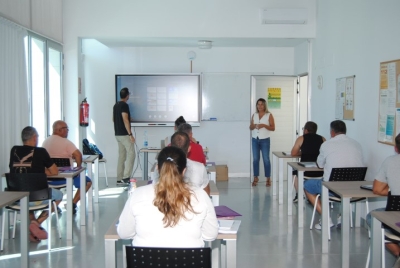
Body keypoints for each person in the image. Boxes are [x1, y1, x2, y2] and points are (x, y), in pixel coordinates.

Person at [117, 146, 218, 247]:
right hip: (188, 262)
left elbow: (124, 233)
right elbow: (210, 235)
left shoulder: (137, 194)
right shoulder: (200, 195)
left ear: (157, 168)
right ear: (184, 171)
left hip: (147, 261)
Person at [304, 120, 363, 229]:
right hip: (353, 188)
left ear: (332, 132)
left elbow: (320, 165)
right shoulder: (357, 144)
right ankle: (341, 217)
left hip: (331, 189)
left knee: (307, 185)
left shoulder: (326, 145)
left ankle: (326, 219)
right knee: (343, 183)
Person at [9, 126, 63, 243]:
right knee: (59, 195)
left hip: (16, 198)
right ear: (34, 138)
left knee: (26, 191)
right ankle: (37, 223)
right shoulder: (41, 152)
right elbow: (54, 171)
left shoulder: (14, 150)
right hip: (37, 197)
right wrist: (42, 170)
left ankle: (32, 228)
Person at [42, 120, 92, 215]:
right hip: (65, 178)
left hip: (49, 179)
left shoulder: (45, 142)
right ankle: (72, 204)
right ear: (60, 130)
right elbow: (78, 155)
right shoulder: (66, 142)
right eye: (67, 129)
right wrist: (78, 167)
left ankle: (55, 205)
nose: (68, 131)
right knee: (87, 182)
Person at [366, 133, 400, 260]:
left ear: (396, 148)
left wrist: (393, 190)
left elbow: (377, 189)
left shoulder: (390, 161)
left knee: (372, 216)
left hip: (396, 215)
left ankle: (398, 252)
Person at [290, 121, 325, 202]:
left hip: (305, 171)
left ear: (306, 130)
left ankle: (299, 195)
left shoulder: (301, 138)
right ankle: (313, 195)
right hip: (320, 171)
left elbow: (293, 153)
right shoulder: (322, 139)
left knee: (294, 172)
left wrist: (303, 152)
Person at [249, 98, 275, 187]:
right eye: (258, 104)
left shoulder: (269, 115)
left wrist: (263, 125)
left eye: (261, 104)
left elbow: (273, 128)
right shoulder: (254, 115)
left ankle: (268, 178)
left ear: (264, 105)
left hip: (265, 140)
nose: (259, 106)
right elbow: (250, 127)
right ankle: (256, 177)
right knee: (255, 159)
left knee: (266, 159)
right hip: (255, 139)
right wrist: (253, 126)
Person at [113, 87, 136, 186]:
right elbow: (125, 120)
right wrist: (130, 134)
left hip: (117, 134)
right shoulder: (124, 105)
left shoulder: (116, 105)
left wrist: (127, 118)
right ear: (127, 96)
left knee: (122, 156)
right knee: (132, 154)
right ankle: (126, 177)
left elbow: (114, 119)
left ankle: (119, 178)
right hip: (124, 134)